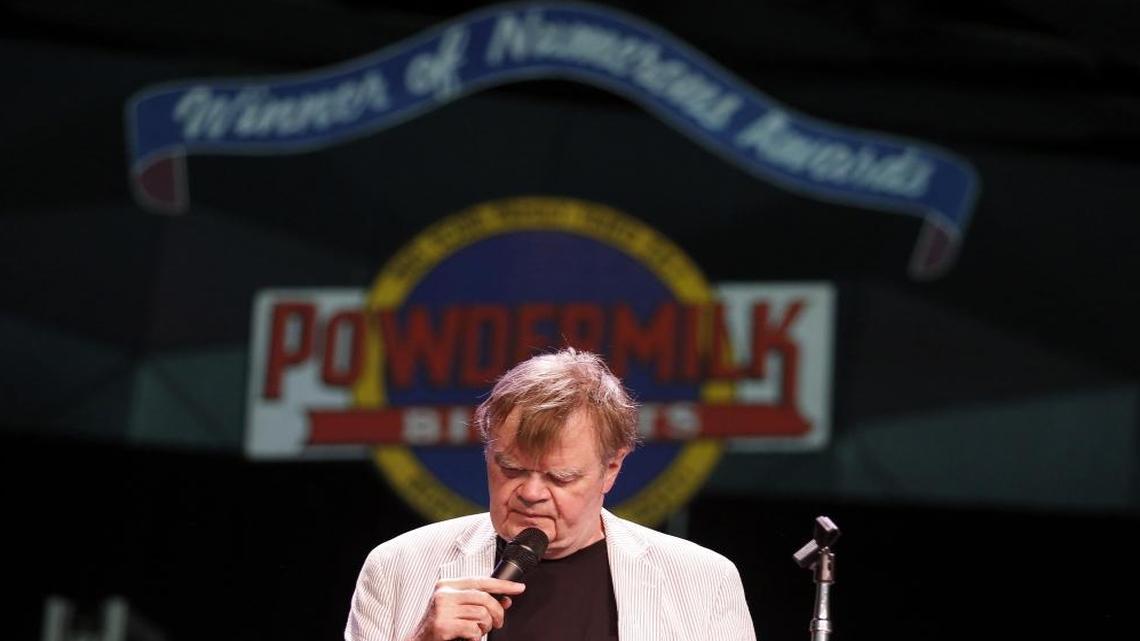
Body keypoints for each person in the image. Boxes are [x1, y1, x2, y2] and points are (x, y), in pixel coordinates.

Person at [345, 349, 756, 641]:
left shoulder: (703, 580)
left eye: (559, 477)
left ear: (611, 469)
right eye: (510, 468)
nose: (530, 493)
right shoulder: (396, 567)